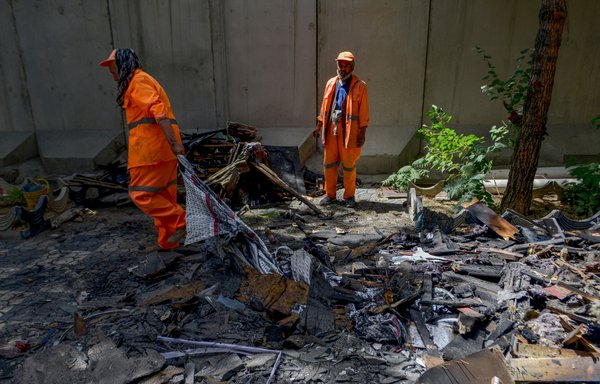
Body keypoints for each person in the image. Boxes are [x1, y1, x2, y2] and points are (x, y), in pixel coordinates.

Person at [99, 48, 186, 251]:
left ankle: (181, 222)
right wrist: (173, 145)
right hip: (162, 152)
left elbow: (159, 112)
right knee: (164, 198)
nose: (112, 73)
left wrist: (174, 144)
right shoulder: (142, 80)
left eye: (113, 68)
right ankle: (168, 243)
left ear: (123, 65)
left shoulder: (137, 81)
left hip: (151, 153)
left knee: (141, 194)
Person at [313, 51, 369, 208]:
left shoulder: (360, 86)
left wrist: (362, 133)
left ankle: (349, 196)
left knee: (349, 165)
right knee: (329, 164)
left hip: (349, 132)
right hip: (331, 129)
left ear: (352, 66)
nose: (342, 68)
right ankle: (330, 195)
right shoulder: (331, 83)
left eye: (346, 65)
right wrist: (319, 126)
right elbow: (324, 108)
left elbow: (364, 111)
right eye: (340, 64)